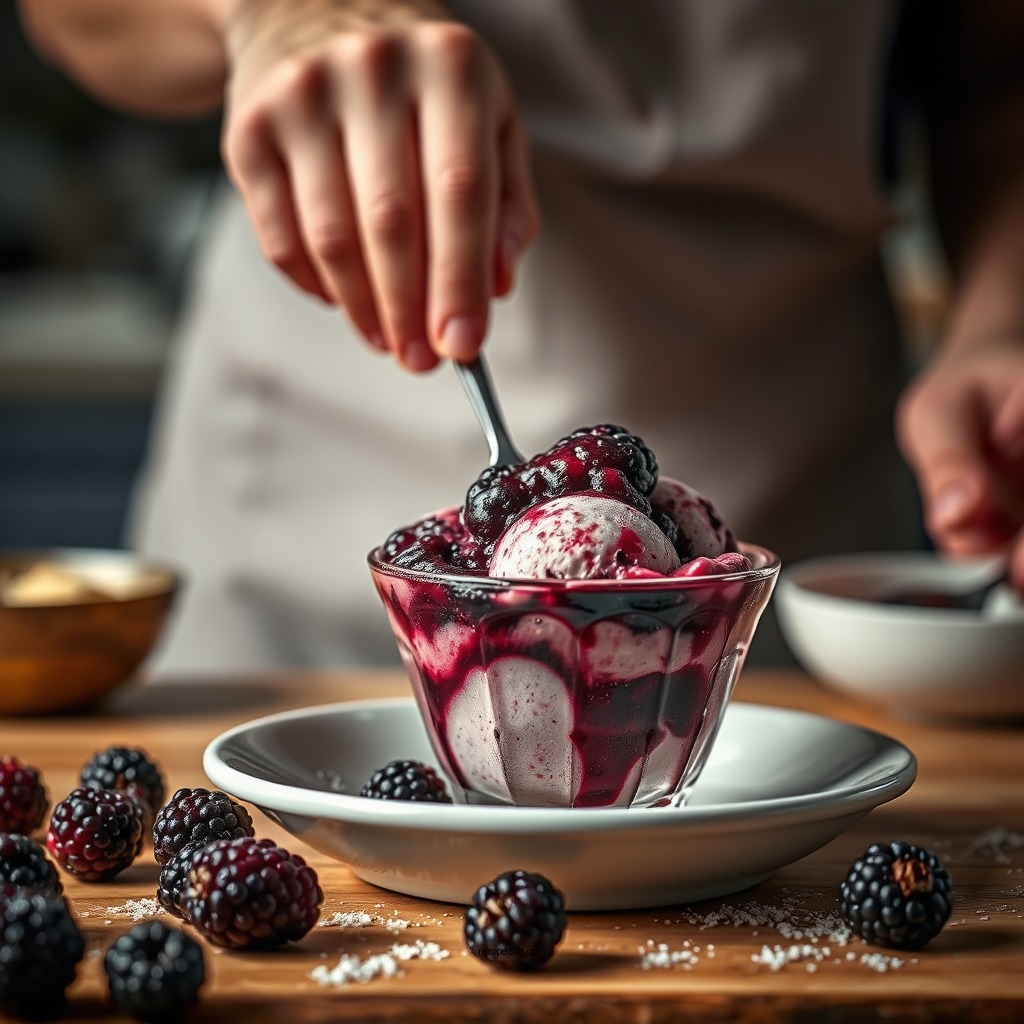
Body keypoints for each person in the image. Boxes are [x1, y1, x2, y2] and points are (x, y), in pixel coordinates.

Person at [15, 0, 1024, 673]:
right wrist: (272, 13)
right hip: (295, 560)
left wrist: (1000, 321)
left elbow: (994, 67)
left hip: (795, 578)